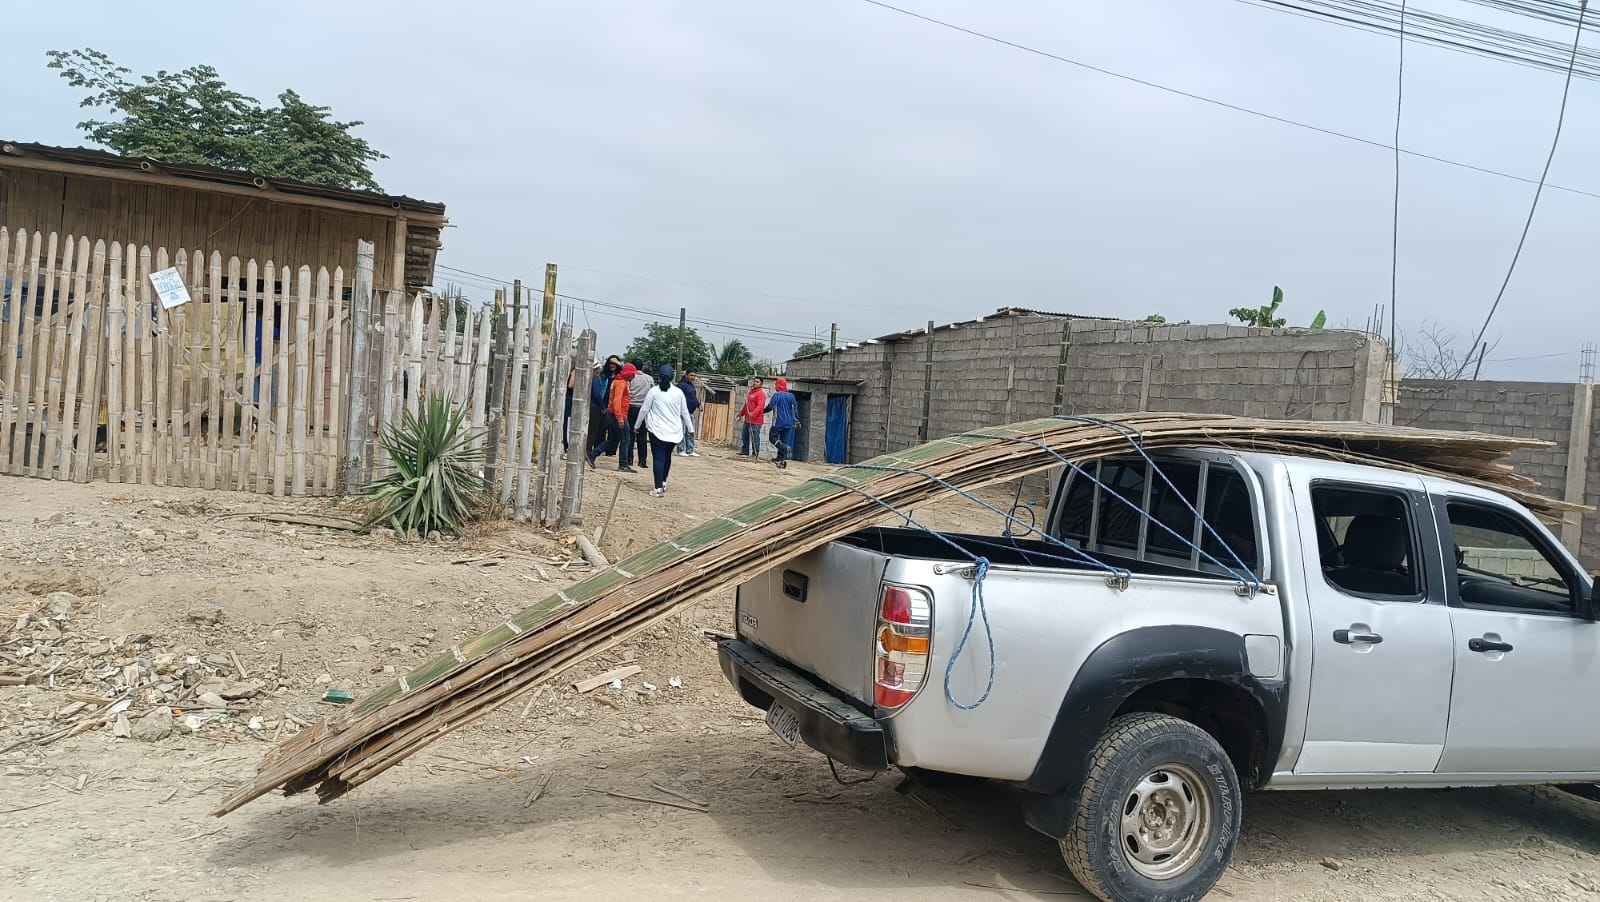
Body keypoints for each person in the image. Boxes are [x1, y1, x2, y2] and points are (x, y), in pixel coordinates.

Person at [636, 365, 695, 497]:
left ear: (659, 376)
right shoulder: (678, 393)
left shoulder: (653, 391)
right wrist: (691, 429)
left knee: (658, 457)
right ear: (673, 377)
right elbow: (685, 412)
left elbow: (644, 410)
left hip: (657, 430)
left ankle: (657, 489)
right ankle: (663, 482)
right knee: (667, 456)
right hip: (674, 431)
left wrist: (637, 425)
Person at [586, 362, 638, 472]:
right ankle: (623, 464)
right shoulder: (621, 383)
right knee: (625, 439)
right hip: (618, 414)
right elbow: (616, 401)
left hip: (613, 414)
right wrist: (620, 418)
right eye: (633, 374)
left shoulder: (618, 381)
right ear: (628, 374)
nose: (634, 376)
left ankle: (593, 454)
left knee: (614, 440)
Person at [765, 377, 799, 468]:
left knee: (772, 438)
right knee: (783, 440)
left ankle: (784, 448)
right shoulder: (791, 396)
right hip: (789, 423)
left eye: (776, 384)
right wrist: (797, 421)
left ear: (778, 385)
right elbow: (795, 409)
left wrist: (762, 411)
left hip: (778, 421)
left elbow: (770, 406)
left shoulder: (777, 395)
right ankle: (781, 460)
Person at [588, 357, 620, 453]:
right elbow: (598, 394)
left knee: (609, 428)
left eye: (614, 363)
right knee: (597, 428)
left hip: (612, 404)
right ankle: (594, 449)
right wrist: (602, 406)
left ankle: (606, 449)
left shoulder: (619, 376)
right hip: (601, 404)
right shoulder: (601, 376)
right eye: (610, 363)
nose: (612, 365)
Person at [627, 359, 654, 470]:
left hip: (630, 407)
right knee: (642, 436)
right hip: (643, 408)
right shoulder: (649, 378)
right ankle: (642, 461)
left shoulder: (630, 377)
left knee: (630, 435)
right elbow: (652, 393)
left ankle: (629, 459)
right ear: (642, 367)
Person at [740, 377, 767, 458]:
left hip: (756, 421)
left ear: (761, 384)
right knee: (744, 435)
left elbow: (760, 406)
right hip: (747, 419)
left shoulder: (761, 394)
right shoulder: (750, 392)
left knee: (754, 437)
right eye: (754, 381)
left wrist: (753, 413)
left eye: (757, 382)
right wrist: (741, 413)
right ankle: (745, 451)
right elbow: (746, 405)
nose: (755, 383)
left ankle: (755, 454)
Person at [677, 372, 702, 457]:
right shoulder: (681, 385)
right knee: (682, 431)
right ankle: (681, 449)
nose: (693, 377)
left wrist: (698, 405)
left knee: (690, 432)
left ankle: (690, 450)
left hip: (691, 413)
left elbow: (693, 397)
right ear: (686, 375)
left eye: (694, 376)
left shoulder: (691, 386)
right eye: (691, 375)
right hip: (682, 413)